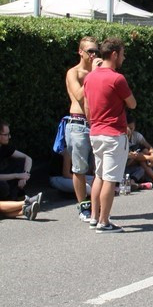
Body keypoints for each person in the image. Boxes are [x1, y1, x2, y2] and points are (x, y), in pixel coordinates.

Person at [83, 37, 136, 233]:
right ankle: (104, 222)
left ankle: (94, 216)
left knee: (98, 175)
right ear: (114, 54)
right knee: (110, 179)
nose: (123, 57)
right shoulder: (117, 78)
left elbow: (87, 106)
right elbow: (132, 103)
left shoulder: (90, 77)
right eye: (122, 53)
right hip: (113, 133)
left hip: (95, 131)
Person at [64, 36, 99, 221]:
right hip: (78, 124)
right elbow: (78, 95)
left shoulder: (98, 71)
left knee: (98, 168)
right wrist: (93, 74)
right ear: (81, 52)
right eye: (90, 51)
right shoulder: (74, 72)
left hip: (97, 124)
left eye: (96, 51)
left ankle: (95, 205)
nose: (93, 55)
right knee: (79, 168)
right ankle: (83, 206)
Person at [125, 116, 153, 186]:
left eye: (131, 128)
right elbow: (129, 156)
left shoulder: (136, 135)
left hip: (133, 164)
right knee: (141, 155)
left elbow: (149, 147)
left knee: (145, 151)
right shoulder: (120, 138)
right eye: (128, 128)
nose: (130, 131)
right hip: (124, 165)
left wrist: (152, 155)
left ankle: (132, 182)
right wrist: (149, 158)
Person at [0, 120, 33, 201]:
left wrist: (25, 176)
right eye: (6, 135)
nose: (9, 137)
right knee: (3, 186)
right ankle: (23, 204)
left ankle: (16, 198)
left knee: (20, 162)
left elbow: (28, 158)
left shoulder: (4, 147)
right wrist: (18, 175)